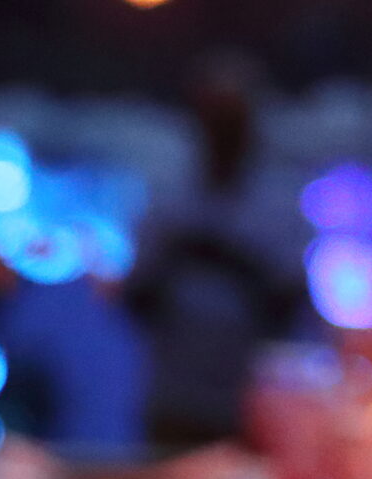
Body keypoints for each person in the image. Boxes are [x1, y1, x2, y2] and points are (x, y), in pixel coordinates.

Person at [125, 56, 298, 447]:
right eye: (214, 117)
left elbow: (291, 308)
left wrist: (231, 262)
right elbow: (133, 298)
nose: (223, 130)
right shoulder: (169, 195)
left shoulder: (277, 204)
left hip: (247, 400)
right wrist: (177, 262)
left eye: (232, 118)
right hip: (174, 394)